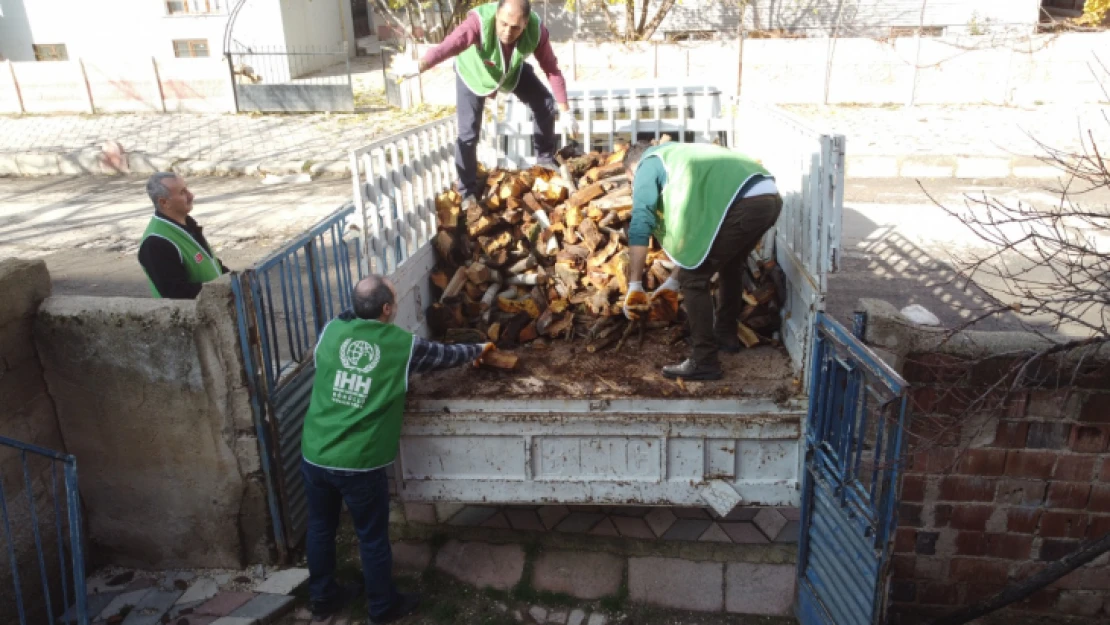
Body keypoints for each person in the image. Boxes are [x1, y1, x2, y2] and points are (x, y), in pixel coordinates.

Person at [300, 274, 496, 624]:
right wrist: (479, 349)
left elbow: (347, 321)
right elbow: (445, 355)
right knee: (372, 538)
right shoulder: (402, 345)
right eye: (393, 299)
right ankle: (382, 607)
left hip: (314, 452)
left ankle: (323, 597)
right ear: (387, 309)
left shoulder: (331, 330)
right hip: (359, 461)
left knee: (319, 528)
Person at [392, 0, 577, 211]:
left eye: (515, 27)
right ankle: (466, 191)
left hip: (508, 73)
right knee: (468, 134)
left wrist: (565, 111)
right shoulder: (478, 23)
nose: (508, 31)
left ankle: (544, 158)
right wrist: (419, 65)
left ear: (525, 23)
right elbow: (449, 45)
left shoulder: (537, 31)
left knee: (544, 102)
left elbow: (552, 69)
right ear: (497, 15)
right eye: (503, 24)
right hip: (473, 74)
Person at [621, 141, 783, 381]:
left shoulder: (648, 164)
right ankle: (725, 336)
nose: (633, 186)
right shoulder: (680, 158)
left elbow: (640, 222)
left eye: (630, 181)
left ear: (632, 168)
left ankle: (704, 360)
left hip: (744, 203)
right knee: (731, 266)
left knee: (694, 279)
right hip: (768, 197)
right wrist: (672, 282)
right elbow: (700, 238)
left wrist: (634, 285)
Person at [138, 172, 228, 299]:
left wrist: (233, 280)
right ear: (164, 203)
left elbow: (210, 262)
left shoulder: (187, 223)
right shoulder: (155, 243)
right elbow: (177, 293)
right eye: (182, 192)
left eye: (187, 189)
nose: (191, 195)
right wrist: (223, 290)